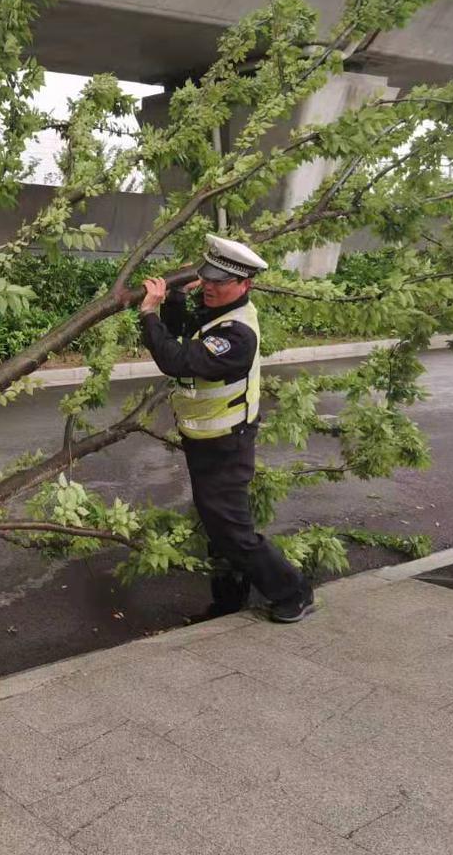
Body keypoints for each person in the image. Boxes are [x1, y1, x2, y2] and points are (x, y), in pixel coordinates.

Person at [138, 235, 316, 624]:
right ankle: (228, 603)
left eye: (221, 282)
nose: (211, 288)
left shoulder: (237, 336)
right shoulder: (220, 312)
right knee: (219, 528)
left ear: (245, 284)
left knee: (233, 531)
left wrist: (149, 314)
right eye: (208, 278)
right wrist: (174, 299)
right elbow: (185, 330)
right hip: (207, 441)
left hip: (225, 445)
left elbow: (178, 358)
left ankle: (294, 593)